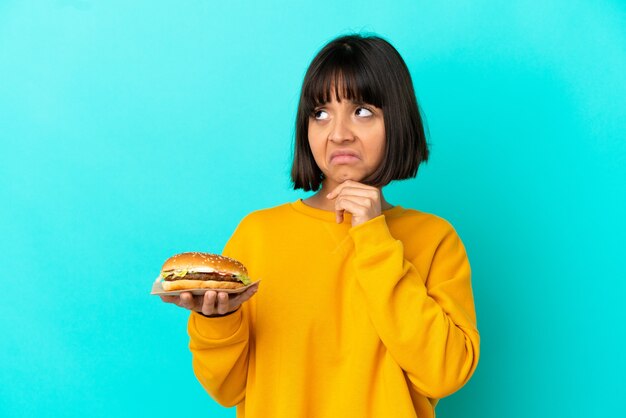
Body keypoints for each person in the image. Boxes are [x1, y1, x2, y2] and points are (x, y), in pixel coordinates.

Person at [160, 33, 480, 418]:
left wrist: (374, 238)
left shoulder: (434, 239)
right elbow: (227, 389)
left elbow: (445, 374)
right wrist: (218, 321)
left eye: (363, 111)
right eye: (321, 113)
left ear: (396, 121)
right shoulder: (258, 235)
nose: (339, 133)